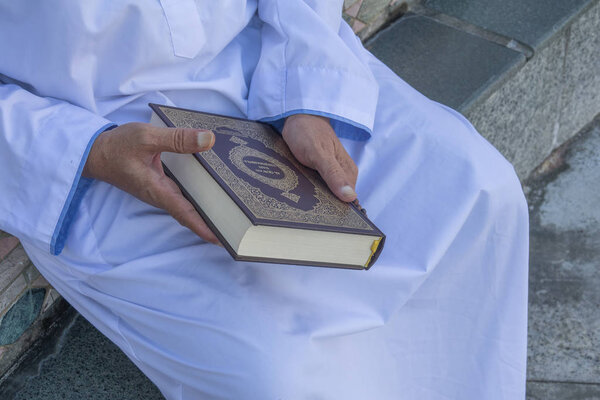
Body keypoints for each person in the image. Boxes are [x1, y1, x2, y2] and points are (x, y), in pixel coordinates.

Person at [0, 1, 529, 399]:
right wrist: (91, 151)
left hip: (264, 62)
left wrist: (304, 98)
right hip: (97, 136)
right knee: (276, 376)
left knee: (480, 192)